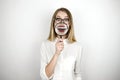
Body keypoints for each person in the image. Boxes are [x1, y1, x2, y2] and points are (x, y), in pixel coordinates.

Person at [40, 7, 82, 80]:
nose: (62, 22)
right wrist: (56, 53)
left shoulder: (78, 46)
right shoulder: (45, 44)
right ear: (54, 22)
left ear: (70, 23)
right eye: (58, 19)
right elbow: (45, 76)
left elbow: (77, 74)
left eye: (66, 19)